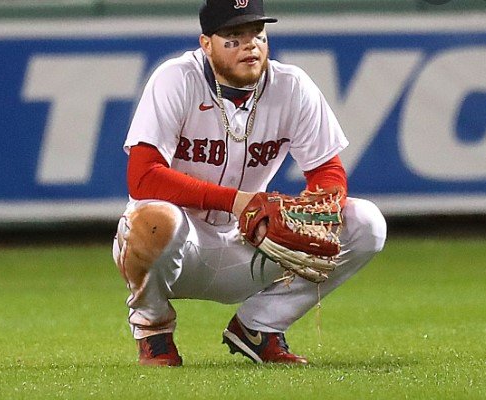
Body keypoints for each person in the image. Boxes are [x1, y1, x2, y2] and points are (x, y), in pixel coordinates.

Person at [112, 0, 387, 367]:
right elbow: (143, 177)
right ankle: (154, 332)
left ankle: (260, 327)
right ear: (206, 43)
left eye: (257, 33)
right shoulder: (175, 79)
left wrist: (317, 208)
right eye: (234, 36)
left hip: (251, 242)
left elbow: (328, 171)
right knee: (153, 220)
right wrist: (239, 201)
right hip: (182, 244)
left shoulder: (291, 86)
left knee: (367, 223)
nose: (250, 44)